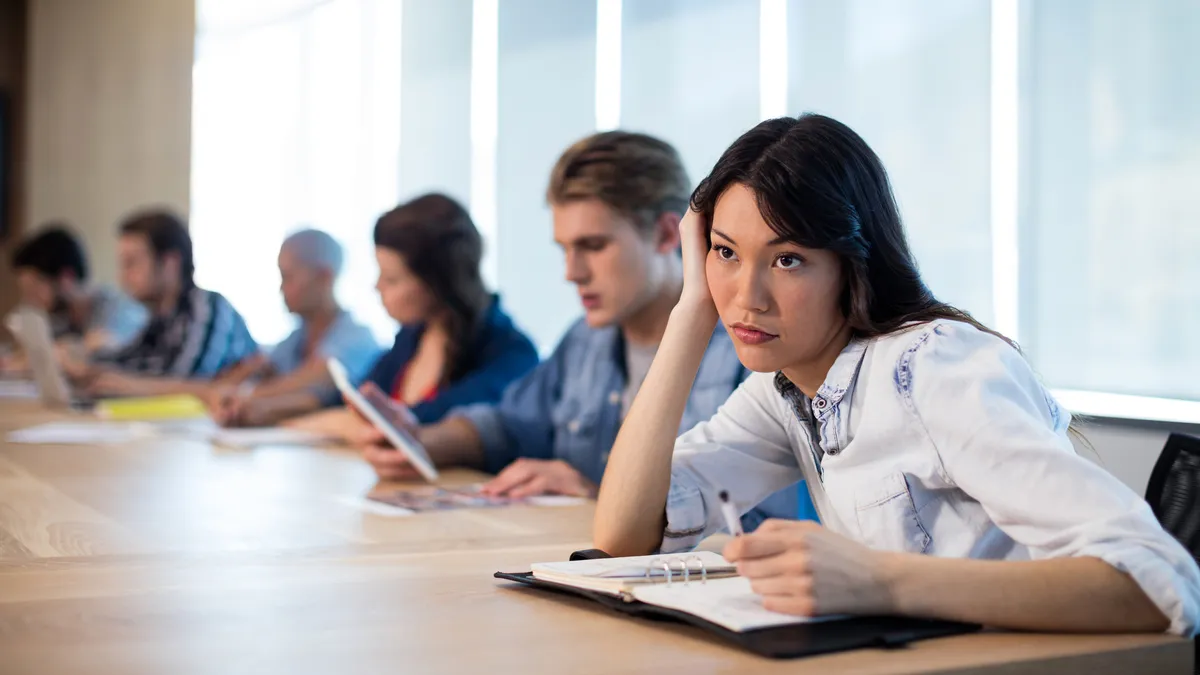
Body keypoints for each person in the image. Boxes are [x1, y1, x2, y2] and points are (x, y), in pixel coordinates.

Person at [591, 114, 1200, 636]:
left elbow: (1157, 583)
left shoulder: (933, 367)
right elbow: (623, 532)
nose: (747, 296)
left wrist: (879, 581)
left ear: (853, 264)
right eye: (725, 252)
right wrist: (691, 311)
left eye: (788, 259)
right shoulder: (788, 387)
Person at [359, 132, 811, 530]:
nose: (571, 273)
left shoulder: (753, 349)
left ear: (666, 235)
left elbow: (765, 528)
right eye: (564, 249)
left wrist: (603, 499)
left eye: (593, 246)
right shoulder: (586, 339)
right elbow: (510, 425)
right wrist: (422, 442)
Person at [288, 193, 539, 438]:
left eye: (391, 279)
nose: (378, 287)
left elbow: (413, 423)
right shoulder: (412, 338)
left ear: (439, 282)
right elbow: (355, 404)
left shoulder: (511, 355)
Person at [211, 229, 381, 427]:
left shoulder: (357, 338)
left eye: (288, 277)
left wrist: (241, 396)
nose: (281, 289)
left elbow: (313, 384)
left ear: (324, 277)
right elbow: (255, 373)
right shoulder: (296, 339)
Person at [80, 209, 258, 396]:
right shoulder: (161, 319)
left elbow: (189, 383)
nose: (122, 277)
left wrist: (127, 384)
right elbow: (128, 363)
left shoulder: (207, 307)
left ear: (170, 263)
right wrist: (85, 367)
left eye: (131, 263)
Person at [6, 224, 146, 361]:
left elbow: (109, 350)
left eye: (34, 289)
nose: (30, 299)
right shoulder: (57, 317)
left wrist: (65, 350)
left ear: (67, 278)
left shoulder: (119, 309)